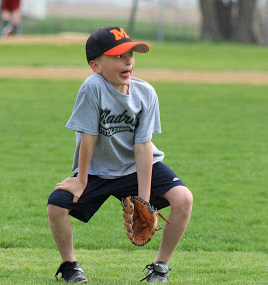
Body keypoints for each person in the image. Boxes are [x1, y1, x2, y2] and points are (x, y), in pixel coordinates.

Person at [47, 26, 193, 283]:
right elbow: (88, 138)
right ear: (96, 66)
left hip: (136, 167)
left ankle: (160, 267)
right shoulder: (92, 88)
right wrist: (81, 180)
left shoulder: (145, 93)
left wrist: (144, 201)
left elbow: (143, 146)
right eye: (117, 56)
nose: (128, 61)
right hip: (98, 170)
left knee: (183, 199)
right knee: (56, 206)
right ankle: (70, 266)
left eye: (131, 54)